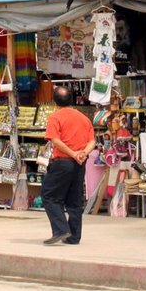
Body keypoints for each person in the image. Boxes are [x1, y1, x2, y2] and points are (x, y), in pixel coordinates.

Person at [41, 87, 96, 245]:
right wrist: (83, 153)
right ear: (72, 99)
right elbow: (92, 141)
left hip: (63, 162)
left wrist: (73, 154)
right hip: (79, 162)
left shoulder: (55, 117)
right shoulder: (83, 118)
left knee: (49, 196)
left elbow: (55, 140)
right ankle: (73, 236)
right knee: (74, 200)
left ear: (55, 101)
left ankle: (60, 229)